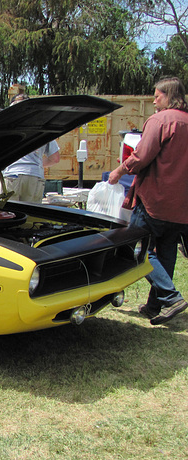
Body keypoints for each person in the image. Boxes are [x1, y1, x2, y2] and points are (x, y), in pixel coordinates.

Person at [108, 76, 188, 325]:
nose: (153, 102)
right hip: (181, 206)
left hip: (155, 198)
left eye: (157, 96)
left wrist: (119, 171)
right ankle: (155, 306)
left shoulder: (161, 120)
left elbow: (141, 157)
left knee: (135, 248)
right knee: (165, 252)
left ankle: (172, 297)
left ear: (169, 96)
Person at [0, 94, 60, 203]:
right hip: (35, 177)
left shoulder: (5, 125)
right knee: (30, 216)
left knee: (4, 215)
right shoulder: (42, 127)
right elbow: (55, 158)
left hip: (11, 175)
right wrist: (35, 164)